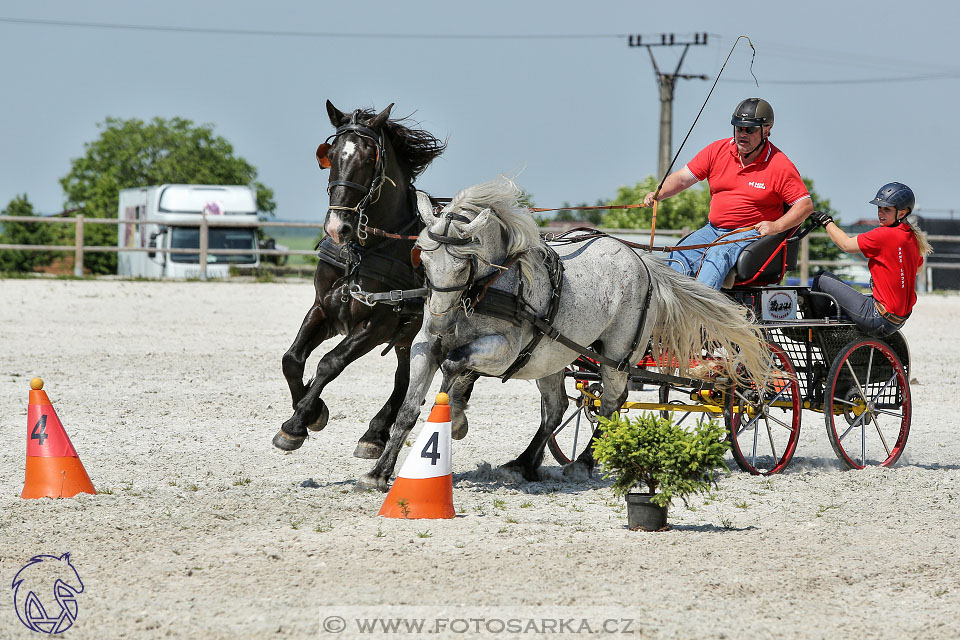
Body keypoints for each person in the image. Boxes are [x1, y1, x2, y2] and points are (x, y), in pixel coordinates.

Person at [643, 98, 813, 289]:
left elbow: (805, 205)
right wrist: (658, 193)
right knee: (679, 255)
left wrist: (776, 226)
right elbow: (683, 178)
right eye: (738, 128)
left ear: (766, 130)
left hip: (749, 233)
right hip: (713, 230)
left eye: (749, 129)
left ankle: (702, 313)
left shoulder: (779, 164)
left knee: (717, 254)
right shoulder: (717, 150)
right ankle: (670, 312)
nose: (742, 134)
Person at [808, 182, 932, 337]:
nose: (880, 213)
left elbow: (846, 245)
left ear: (901, 213)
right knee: (836, 303)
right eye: (879, 208)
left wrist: (826, 222)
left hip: (878, 317)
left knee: (821, 279)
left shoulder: (884, 235)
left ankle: (813, 331)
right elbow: (918, 268)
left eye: (887, 209)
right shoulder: (911, 237)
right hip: (897, 319)